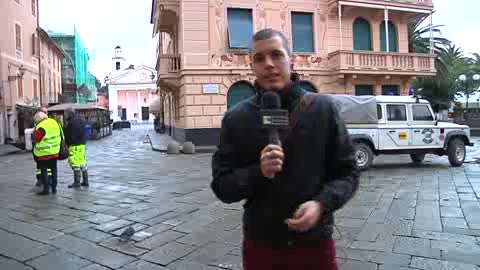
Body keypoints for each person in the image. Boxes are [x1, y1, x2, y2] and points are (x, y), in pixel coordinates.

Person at [211, 29, 359, 270]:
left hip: (315, 245)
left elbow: (348, 172)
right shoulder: (236, 119)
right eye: (259, 58)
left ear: (291, 60)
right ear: (252, 66)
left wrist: (321, 203)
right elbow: (222, 186)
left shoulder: (322, 108)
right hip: (262, 247)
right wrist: (259, 172)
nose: (269, 64)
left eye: (276, 55)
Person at [33, 111, 61, 195]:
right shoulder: (54, 122)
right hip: (55, 151)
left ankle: (46, 189)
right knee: (54, 169)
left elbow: (37, 138)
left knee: (44, 171)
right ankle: (54, 188)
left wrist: (35, 131)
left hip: (44, 153)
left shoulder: (42, 126)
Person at [64, 107, 88, 188]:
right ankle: (85, 181)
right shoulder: (80, 119)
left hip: (74, 145)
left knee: (75, 163)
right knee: (82, 162)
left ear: (69, 113)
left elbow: (68, 135)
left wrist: (67, 143)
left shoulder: (71, 122)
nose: (65, 115)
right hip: (82, 145)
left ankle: (77, 182)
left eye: (65, 114)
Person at [33, 107, 51, 187]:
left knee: (48, 166)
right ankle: (40, 179)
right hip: (40, 149)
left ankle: (48, 180)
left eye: (46, 112)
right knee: (39, 166)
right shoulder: (37, 123)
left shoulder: (50, 122)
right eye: (44, 112)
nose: (45, 114)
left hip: (48, 148)